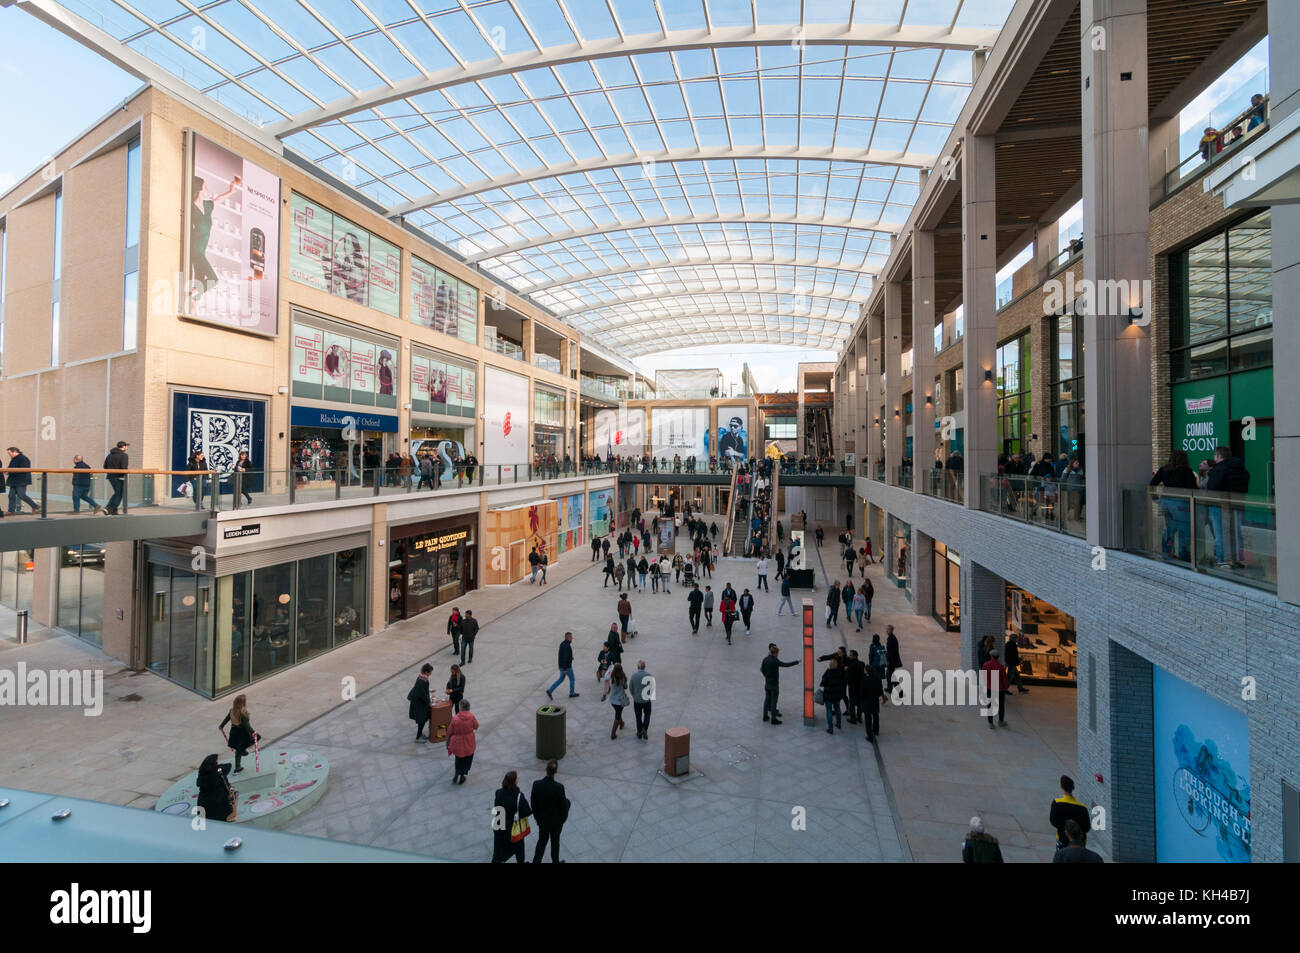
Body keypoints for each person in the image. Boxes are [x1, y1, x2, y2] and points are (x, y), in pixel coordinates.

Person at [1205, 445, 1250, 569]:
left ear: (1219, 456)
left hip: (1219, 505)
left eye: (1215, 455)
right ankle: (1236, 559)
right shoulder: (1241, 469)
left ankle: (1222, 559)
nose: (1214, 458)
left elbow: (1212, 488)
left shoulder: (1218, 469)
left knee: (1221, 532)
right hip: (1237, 504)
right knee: (1236, 532)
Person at [1150, 450, 1198, 561]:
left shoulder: (1164, 470)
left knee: (1169, 528)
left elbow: (1152, 484)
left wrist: (1156, 499)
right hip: (1182, 503)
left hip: (1166, 502)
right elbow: (1194, 489)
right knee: (1183, 528)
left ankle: (1167, 553)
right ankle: (1184, 554)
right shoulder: (1186, 471)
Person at [530, 760, 570, 863]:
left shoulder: (536, 785)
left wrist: (537, 818)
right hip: (555, 823)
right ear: (556, 772)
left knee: (541, 843)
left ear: (546, 770)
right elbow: (564, 805)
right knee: (555, 843)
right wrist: (563, 819)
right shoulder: (559, 788)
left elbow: (533, 804)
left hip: (543, 822)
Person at [491, 771, 532, 863]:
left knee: (498, 849)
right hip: (513, 827)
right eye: (517, 778)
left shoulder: (498, 793)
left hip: (500, 825)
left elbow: (497, 808)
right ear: (515, 781)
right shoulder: (519, 796)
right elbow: (527, 811)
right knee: (519, 847)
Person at [218, 694, 260, 774]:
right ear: (243, 703)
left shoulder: (232, 710)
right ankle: (239, 762)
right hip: (242, 733)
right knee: (255, 739)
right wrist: (254, 732)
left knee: (238, 749)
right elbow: (247, 726)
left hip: (234, 732)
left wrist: (221, 725)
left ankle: (241, 757)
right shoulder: (243, 713)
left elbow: (227, 718)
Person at [1050, 776, 1091, 849]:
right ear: (1073, 788)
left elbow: (1053, 822)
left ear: (1061, 787)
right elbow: (1087, 828)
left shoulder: (1057, 803)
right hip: (1080, 843)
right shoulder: (1082, 808)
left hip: (1063, 838)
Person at [762, 643, 799, 723]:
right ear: (774, 653)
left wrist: (766, 676)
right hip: (774, 684)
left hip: (767, 683)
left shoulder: (765, 659)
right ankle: (773, 719)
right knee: (774, 701)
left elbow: (762, 669)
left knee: (767, 699)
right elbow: (785, 664)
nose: (778, 654)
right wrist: (797, 662)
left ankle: (765, 716)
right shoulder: (775, 661)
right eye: (777, 653)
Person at [195, 753, 236, 822]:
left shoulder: (202, 774)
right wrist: (218, 767)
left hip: (203, 806)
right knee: (234, 794)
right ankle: (233, 816)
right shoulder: (218, 773)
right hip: (219, 805)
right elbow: (228, 766)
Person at [447, 700, 478, 784]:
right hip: (469, 741)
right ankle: (462, 776)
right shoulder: (471, 716)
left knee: (458, 759)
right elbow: (476, 726)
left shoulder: (455, 718)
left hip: (457, 742)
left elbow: (450, 731)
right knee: (467, 759)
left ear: (460, 708)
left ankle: (456, 774)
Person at [546, 632, 580, 700]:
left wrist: (570, 657)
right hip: (567, 667)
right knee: (572, 679)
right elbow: (565, 658)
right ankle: (572, 693)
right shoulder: (567, 646)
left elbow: (563, 655)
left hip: (561, 666)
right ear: (568, 637)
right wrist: (565, 669)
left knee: (561, 679)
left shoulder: (563, 643)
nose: (572, 638)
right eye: (571, 637)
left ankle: (550, 690)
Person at [5, 448, 38, 514]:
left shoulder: (23, 459)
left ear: (14, 452)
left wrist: (10, 471)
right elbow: (11, 468)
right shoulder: (14, 459)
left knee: (21, 495)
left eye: (9, 453)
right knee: (11, 495)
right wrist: (8, 471)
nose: (9, 455)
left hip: (21, 480)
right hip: (14, 480)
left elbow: (23, 470)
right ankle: (11, 511)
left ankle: (35, 506)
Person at [819, 656, 846, 734]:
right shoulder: (840, 672)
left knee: (829, 711)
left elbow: (822, 684)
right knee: (837, 709)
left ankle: (830, 728)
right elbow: (843, 683)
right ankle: (838, 724)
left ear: (830, 665)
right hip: (837, 695)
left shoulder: (827, 672)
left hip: (828, 695)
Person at [982, 648, 1007, 728]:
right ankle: (1001, 721)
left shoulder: (986, 664)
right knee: (1001, 706)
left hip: (990, 688)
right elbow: (1004, 679)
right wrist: (1005, 687)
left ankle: (990, 723)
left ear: (991, 656)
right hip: (1000, 689)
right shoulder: (1001, 667)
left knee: (990, 705)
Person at [407, 663, 433, 741]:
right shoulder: (422, 681)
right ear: (426, 672)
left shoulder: (421, 678)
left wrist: (429, 691)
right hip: (420, 704)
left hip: (419, 702)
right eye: (430, 672)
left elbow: (421, 691)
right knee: (422, 720)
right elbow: (422, 694)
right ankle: (418, 736)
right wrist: (429, 701)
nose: (431, 673)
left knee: (422, 720)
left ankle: (420, 734)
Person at [860, 662, 884, 742]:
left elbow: (862, 693)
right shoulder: (877, 679)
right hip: (875, 700)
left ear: (867, 671)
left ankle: (870, 735)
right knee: (875, 716)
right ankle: (876, 730)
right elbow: (880, 691)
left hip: (867, 701)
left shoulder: (865, 680)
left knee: (868, 719)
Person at [629, 660, 653, 740]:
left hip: (637, 700)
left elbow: (631, 687)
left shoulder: (633, 675)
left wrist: (634, 695)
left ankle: (639, 732)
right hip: (646, 700)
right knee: (647, 715)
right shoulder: (649, 675)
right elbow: (652, 689)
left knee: (638, 716)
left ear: (638, 667)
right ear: (644, 667)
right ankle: (645, 729)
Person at [607, 663, 629, 739]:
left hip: (612, 700)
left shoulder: (611, 677)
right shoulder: (622, 678)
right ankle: (613, 733)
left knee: (618, 712)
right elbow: (626, 687)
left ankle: (621, 723)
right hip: (620, 700)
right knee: (617, 715)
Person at [885, 624, 902, 692]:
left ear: (891, 630)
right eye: (886, 629)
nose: (886, 630)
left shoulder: (891, 638)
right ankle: (890, 689)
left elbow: (891, 652)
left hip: (892, 661)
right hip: (892, 660)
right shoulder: (891, 637)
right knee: (889, 675)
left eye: (888, 629)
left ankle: (900, 691)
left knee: (890, 676)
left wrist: (888, 660)